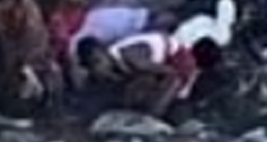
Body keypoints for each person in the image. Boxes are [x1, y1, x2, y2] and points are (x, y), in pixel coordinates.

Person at [76, 31, 222, 118]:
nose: (98, 70)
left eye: (98, 62)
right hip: (158, 63)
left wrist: (157, 104)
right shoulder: (113, 63)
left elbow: (170, 72)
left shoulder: (131, 57)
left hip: (176, 59)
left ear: (105, 51)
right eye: (92, 66)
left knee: (167, 83)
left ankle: (152, 118)